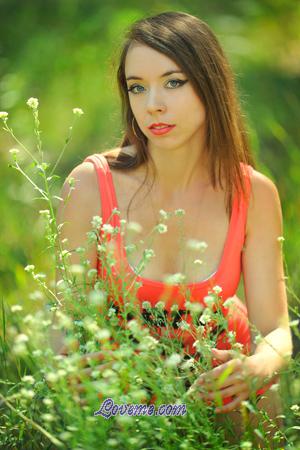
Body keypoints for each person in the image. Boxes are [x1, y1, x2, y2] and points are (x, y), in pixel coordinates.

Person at [56, 11, 292, 447]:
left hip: (223, 388)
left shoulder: (253, 193)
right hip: (124, 395)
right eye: (137, 87)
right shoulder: (90, 186)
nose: (153, 105)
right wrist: (74, 364)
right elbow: (63, 324)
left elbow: (276, 329)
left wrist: (257, 367)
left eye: (173, 82)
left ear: (210, 84)